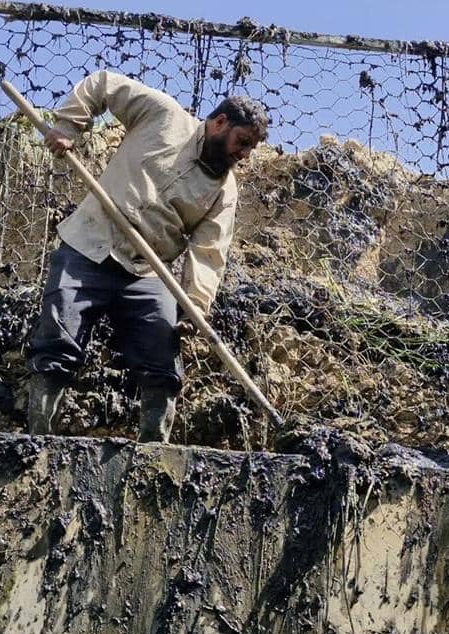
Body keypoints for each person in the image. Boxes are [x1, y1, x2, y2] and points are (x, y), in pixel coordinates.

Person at [25, 69, 268, 443]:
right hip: (89, 244)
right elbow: (104, 84)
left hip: (146, 271)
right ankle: (38, 438)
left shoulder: (225, 190)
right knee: (58, 339)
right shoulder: (163, 116)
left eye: (251, 147)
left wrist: (195, 307)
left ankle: (154, 449)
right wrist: (68, 126)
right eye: (242, 141)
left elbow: (209, 251)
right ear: (220, 122)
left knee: (163, 359)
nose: (245, 154)